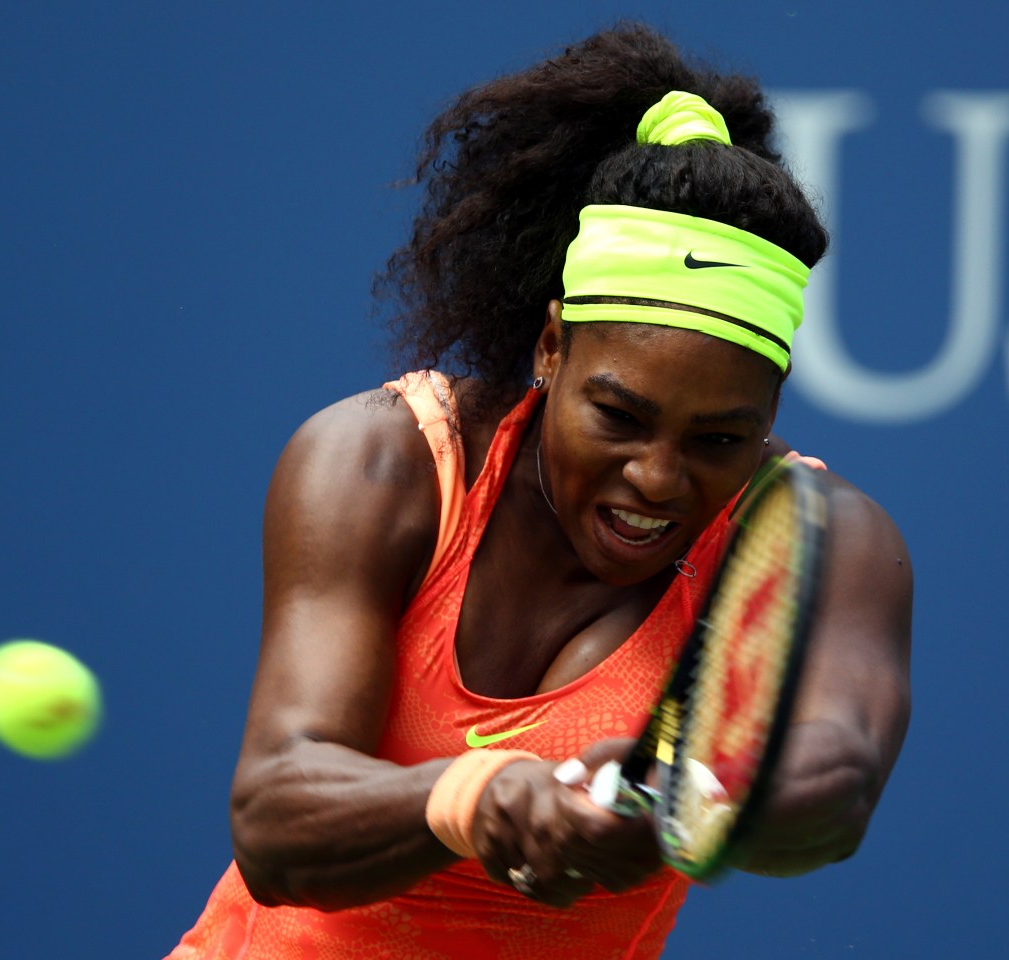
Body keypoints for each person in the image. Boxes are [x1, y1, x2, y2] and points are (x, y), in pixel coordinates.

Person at [166, 23, 911, 960]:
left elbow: (837, 783)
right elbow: (277, 819)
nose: (657, 477)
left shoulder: (830, 540)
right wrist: (479, 797)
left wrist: (687, 802)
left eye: (720, 437)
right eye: (620, 416)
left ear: (771, 409)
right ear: (552, 348)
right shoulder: (380, 462)